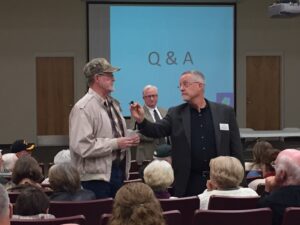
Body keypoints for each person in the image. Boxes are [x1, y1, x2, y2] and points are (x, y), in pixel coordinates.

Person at [130, 70, 244, 197]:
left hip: (222, 181)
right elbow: (156, 130)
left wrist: (241, 182)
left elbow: (236, 149)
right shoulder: (175, 113)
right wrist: (141, 120)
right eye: (180, 85)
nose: (182, 89)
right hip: (188, 182)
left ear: (200, 85)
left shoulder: (224, 112)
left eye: (185, 84)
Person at [69, 58, 140, 199]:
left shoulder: (114, 104)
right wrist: (116, 143)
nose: (114, 79)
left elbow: (113, 133)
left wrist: (131, 137)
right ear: (97, 78)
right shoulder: (83, 108)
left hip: (116, 172)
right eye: (109, 75)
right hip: (95, 179)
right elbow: (82, 146)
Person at [258, 149, 300, 225]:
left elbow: (261, 216)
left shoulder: (271, 202)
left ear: (282, 174)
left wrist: (267, 191)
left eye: (275, 167)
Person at [130, 85, 168, 165]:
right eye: (148, 96)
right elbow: (133, 133)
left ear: (157, 96)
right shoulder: (138, 113)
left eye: (154, 96)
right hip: (147, 156)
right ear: (143, 98)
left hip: (167, 156)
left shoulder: (165, 111)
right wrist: (151, 134)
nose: (151, 98)